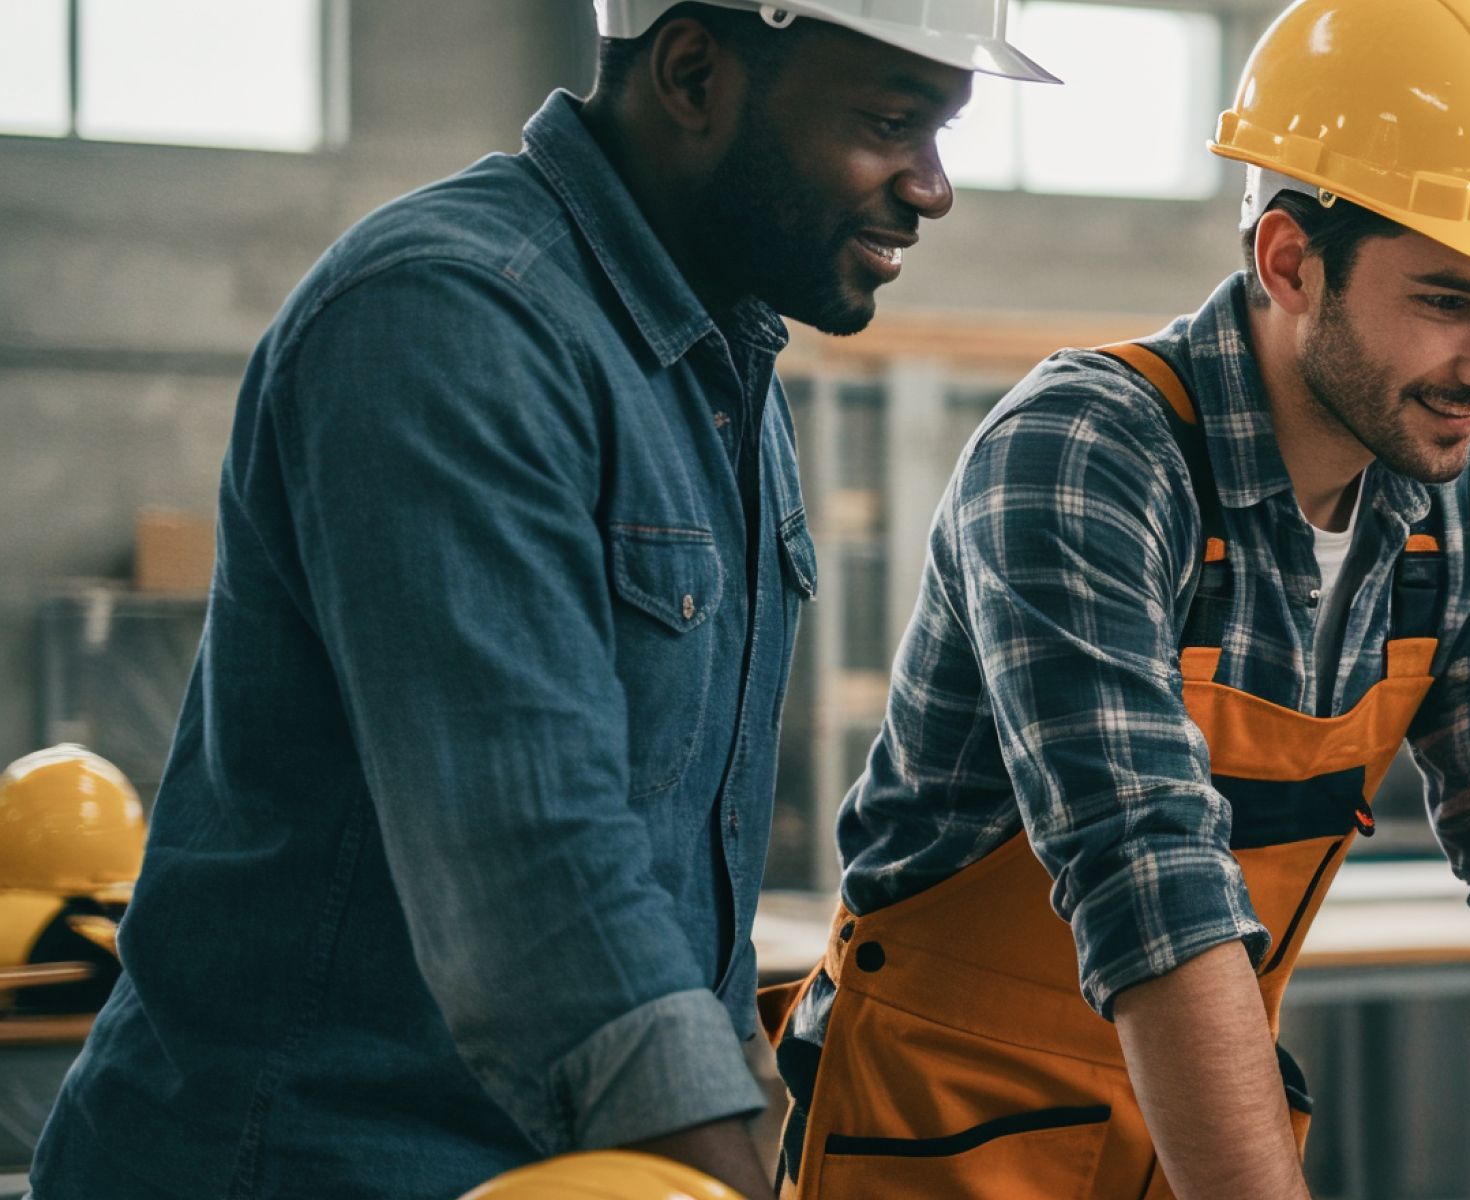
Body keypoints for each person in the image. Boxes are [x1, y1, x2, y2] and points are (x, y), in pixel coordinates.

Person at [30, 3, 1048, 1195]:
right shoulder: (449, 318)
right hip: (312, 1163)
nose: (933, 187)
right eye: (891, 123)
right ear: (691, 73)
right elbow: (532, 871)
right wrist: (715, 1171)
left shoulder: (723, 368)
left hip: (576, 1167)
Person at [766, 1, 1470, 1196]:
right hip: (936, 1150)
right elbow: (1148, 871)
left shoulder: (1460, 498)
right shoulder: (1086, 454)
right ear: (1289, 262)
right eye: (1446, 301)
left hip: (1187, 1145)